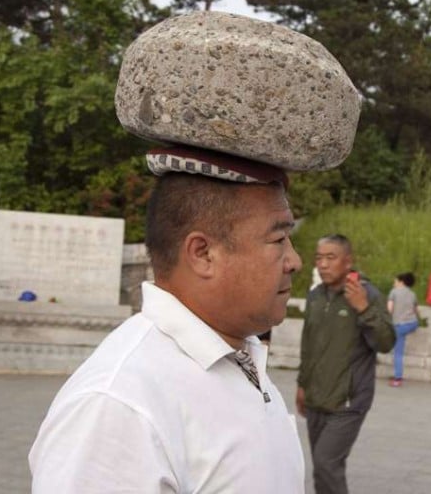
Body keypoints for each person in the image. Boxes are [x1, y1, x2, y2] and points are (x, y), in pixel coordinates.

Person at [30, 156, 305, 492]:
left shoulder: (239, 356)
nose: (295, 261)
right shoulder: (118, 406)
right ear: (203, 253)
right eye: (278, 241)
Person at [297, 235, 395, 494]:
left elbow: (386, 342)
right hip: (317, 396)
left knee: (327, 462)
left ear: (348, 261)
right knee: (321, 466)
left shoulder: (367, 294)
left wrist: (364, 309)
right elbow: (308, 344)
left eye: (331, 257)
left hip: (348, 399)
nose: (323, 264)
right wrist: (301, 384)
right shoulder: (316, 296)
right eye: (319, 258)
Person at [387, 272, 420, 387]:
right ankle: (397, 375)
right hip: (412, 323)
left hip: (400, 326)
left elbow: (389, 310)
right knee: (398, 346)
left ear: (401, 282)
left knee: (398, 353)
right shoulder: (412, 294)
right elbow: (416, 310)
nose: (394, 283)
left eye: (395, 281)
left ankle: (398, 378)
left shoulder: (394, 292)